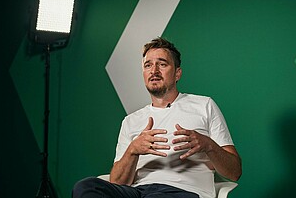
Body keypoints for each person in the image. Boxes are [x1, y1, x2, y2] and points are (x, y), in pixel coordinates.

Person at [73, 37, 242, 198]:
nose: (154, 71)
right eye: (148, 65)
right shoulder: (131, 121)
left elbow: (234, 172)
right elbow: (117, 182)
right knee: (85, 187)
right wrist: (133, 150)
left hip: (180, 191)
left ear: (177, 73)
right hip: (137, 192)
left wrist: (208, 145)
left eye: (162, 64)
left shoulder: (204, 105)